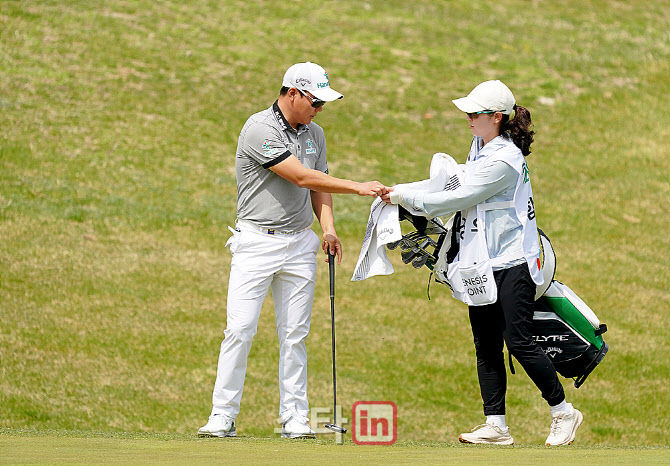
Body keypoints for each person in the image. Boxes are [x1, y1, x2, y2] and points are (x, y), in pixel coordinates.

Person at [381, 80, 583, 446]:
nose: (469, 118)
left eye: (475, 113)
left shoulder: (505, 160)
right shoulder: (481, 145)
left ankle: (563, 412)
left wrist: (401, 198)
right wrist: (402, 190)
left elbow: (458, 197)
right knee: (486, 344)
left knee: (518, 342)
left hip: (514, 260)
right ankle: (496, 426)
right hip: (483, 261)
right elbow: (455, 182)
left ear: (497, 117)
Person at [197, 62, 387, 439]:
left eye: (324, 104)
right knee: (240, 329)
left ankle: (295, 416)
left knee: (295, 334)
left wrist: (328, 229)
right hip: (256, 242)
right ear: (293, 94)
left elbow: (318, 185)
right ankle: (222, 415)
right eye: (315, 102)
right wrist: (358, 186)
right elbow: (300, 176)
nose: (319, 110)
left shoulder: (315, 133)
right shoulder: (259, 128)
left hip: (300, 243)